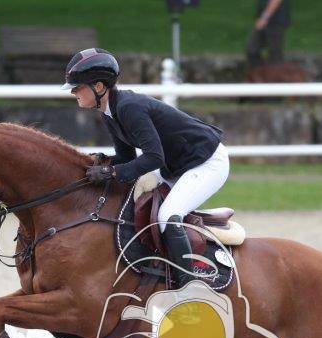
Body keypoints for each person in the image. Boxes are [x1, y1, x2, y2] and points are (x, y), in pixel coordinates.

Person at [66, 48, 228, 288]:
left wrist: (112, 173)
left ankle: (189, 285)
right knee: (133, 204)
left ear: (99, 87)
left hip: (206, 162)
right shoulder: (109, 111)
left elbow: (154, 158)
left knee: (167, 216)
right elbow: (126, 156)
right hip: (177, 166)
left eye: (77, 87)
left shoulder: (129, 107)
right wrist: (98, 163)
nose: (73, 92)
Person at [246, 0, 290, 68]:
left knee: (275, 54)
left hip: (275, 21)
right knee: (252, 49)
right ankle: (260, 70)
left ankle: (276, 72)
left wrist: (264, 18)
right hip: (264, 21)